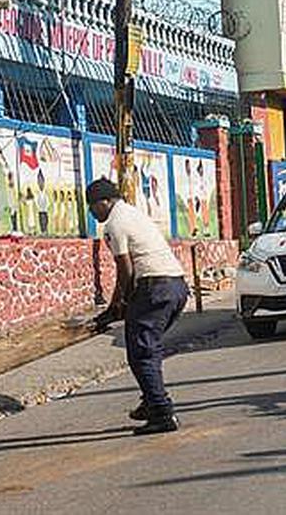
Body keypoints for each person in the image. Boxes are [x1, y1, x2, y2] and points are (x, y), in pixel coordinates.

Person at [88, 179, 190, 435]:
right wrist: (119, 307)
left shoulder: (114, 223)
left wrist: (117, 304)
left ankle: (162, 413)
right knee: (148, 348)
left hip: (155, 288)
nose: (92, 212)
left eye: (93, 206)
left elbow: (125, 269)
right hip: (176, 287)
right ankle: (150, 402)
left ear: (105, 201)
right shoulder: (132, 213)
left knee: (141, 353)